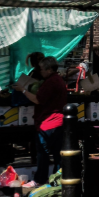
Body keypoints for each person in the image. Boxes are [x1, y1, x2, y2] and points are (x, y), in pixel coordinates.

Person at [20, 57, 67, 185]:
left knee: (43, 153)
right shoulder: (57, 80)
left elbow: (38, 99)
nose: (40, 71)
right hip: (58, 121)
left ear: (50, 69)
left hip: (48, 123)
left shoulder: (51, 82)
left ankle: (39, 180)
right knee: (57, 155)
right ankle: (57, 180)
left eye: (41, 69)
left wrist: (23, 90)